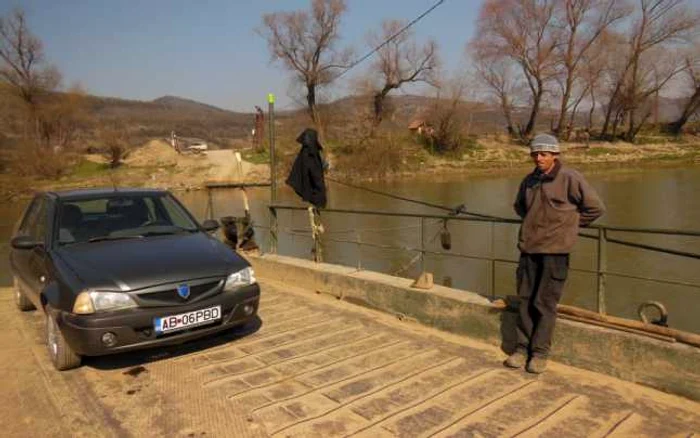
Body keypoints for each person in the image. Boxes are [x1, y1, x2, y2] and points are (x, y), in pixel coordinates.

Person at [506, 133, 605, 374]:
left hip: (556, 253)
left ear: (555, 155)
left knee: (545, 303)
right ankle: (521, 349)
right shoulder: (529, 181)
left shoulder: (570, 178)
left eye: (544, 154)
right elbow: (520, 207)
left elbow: (595, 208)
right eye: (535, 154)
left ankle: (539, 353)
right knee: (526, 300)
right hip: (529, 249)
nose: (539, 158)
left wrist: (568, 226)